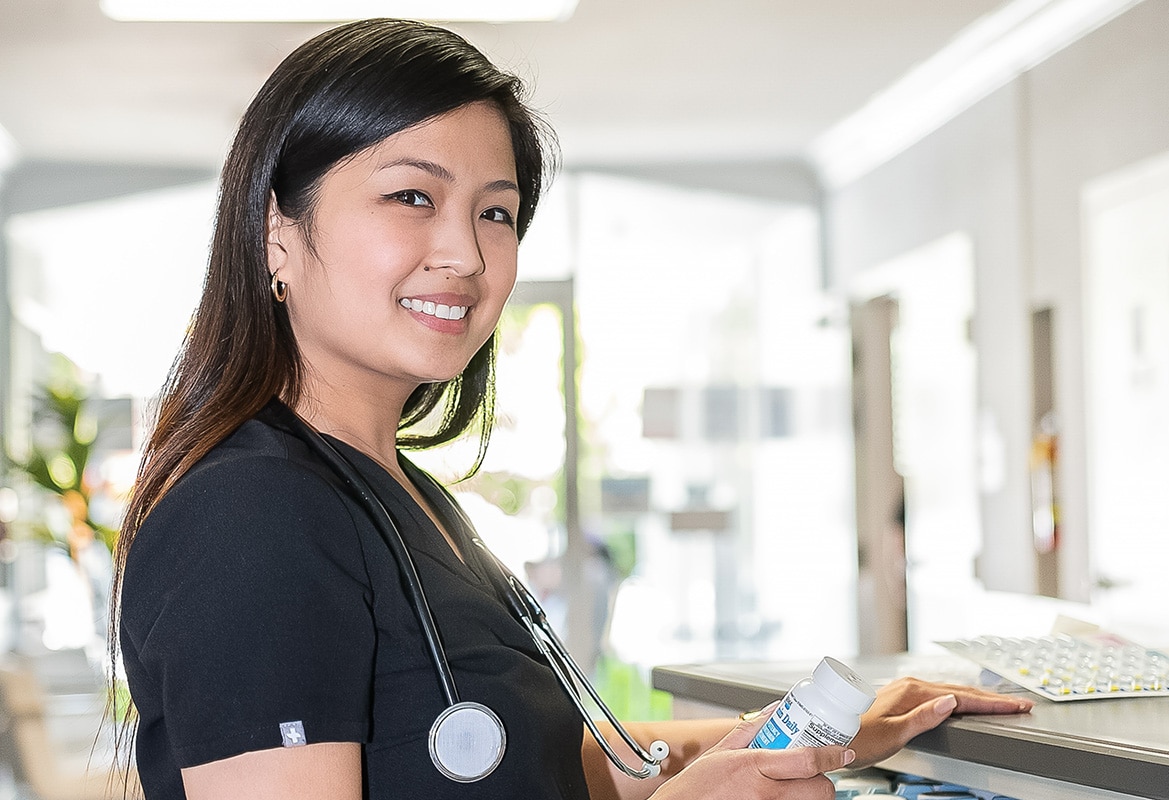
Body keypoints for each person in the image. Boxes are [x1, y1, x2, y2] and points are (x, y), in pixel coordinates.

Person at [112, 18, 1032, 800]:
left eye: (496, 213)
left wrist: (805, 734)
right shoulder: (249, 517)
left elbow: (546, 762)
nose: (465, 254)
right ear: (278, 227)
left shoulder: (405, 497)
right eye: (410, 196)